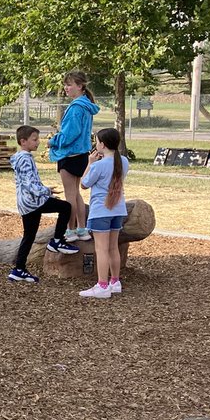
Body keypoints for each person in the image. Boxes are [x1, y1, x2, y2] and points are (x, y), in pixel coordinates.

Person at [8, 125, 79, 282]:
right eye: (34, 139)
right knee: (66, 207)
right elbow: (29, 184)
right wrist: (45, 191)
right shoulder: (25, 159)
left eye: (37, 139)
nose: (38, 142)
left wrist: (46, 190)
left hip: (27, 202)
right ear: (23, 141)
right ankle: (57, 241)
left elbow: (29, 182)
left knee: (29, 236)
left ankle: (19, 269)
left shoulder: (20, 157)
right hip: (33, 202)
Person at [47, 70, 99, 241]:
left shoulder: (76, 108)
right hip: (81, 155)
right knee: (76, 194)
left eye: (69, 85)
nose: (66, 88)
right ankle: (82, 229)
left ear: (80, 86)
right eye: (65, 84)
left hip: (69, 156)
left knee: (70, 195)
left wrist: (53, 141)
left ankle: (71, 231)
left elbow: (70, 134)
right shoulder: (85, 105)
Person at [78, 127, 130, 299]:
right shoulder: (123, 161)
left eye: (97, 141)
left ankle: (102, 285)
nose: (95, 144)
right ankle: (115, 281)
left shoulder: (98, 166)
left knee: (101, 249)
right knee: (113, 247)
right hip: (118, 209)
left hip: (101, 211)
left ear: (102, 144)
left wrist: (89, 163)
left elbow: (84, 184)